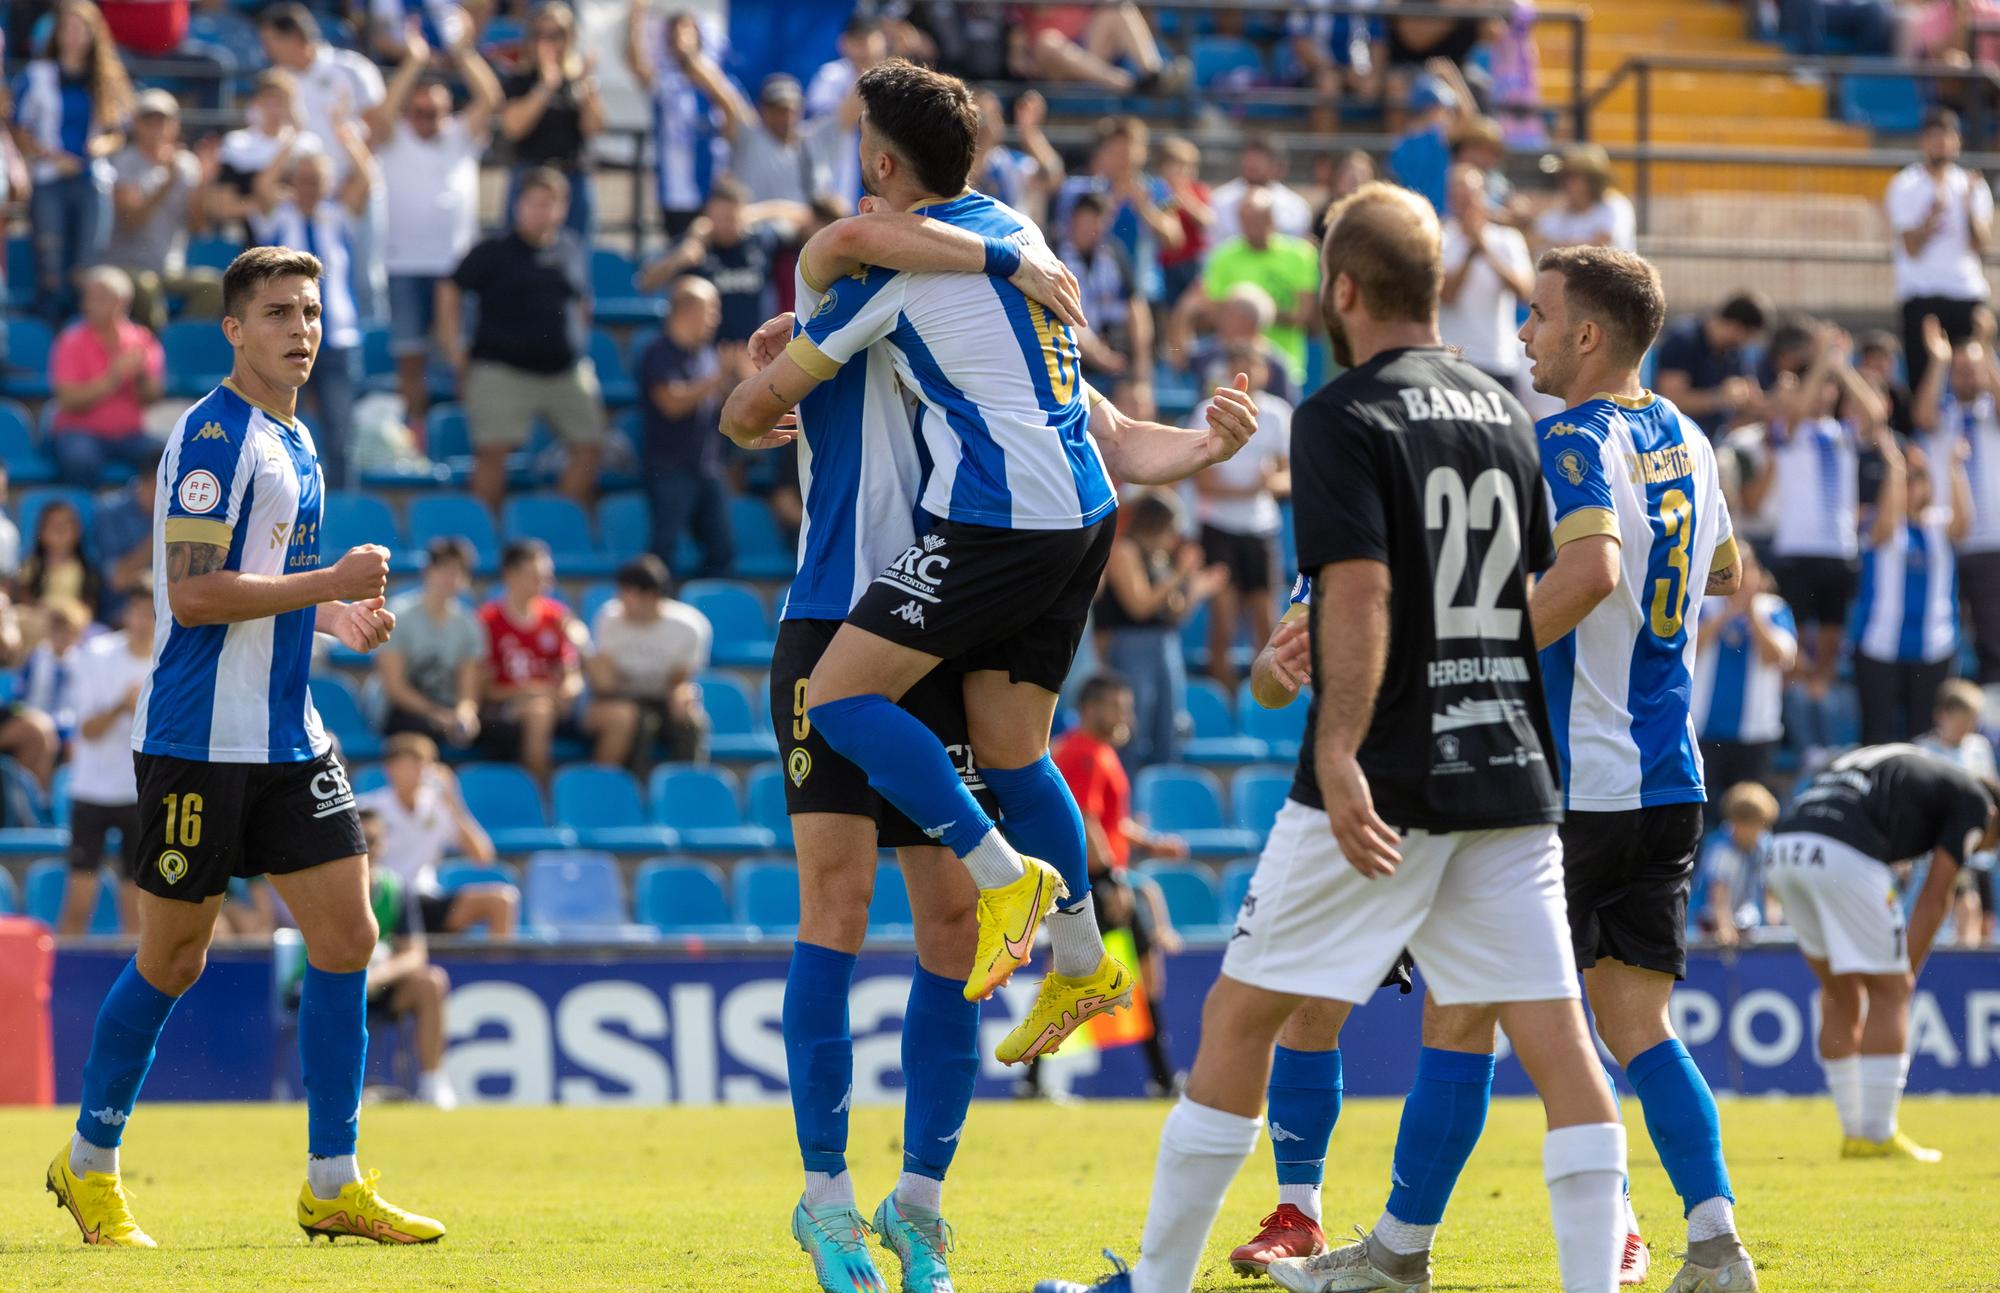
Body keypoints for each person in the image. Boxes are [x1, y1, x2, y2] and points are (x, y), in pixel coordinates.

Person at [1036, 181, 1628, 1293]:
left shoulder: (1337, 414)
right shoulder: (1507, 409)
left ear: (1341, 289)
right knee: (1558, 1051)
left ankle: (1157, 1285)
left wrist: (1343, 749)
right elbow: (1520, 586)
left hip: (1384, 774)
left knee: (1236, 1016)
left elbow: (1354, 594)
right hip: (1507, 767)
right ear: (1438, 286)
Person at [721, 59, 1259, 1071]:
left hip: (998, 521)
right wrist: (1197, 447)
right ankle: (1082, 955)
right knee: (1013, 754)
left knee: (837, 698)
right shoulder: (1023, 235)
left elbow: (829, 260)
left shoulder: (893, 273)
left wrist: (767, 381)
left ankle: (1000, 873)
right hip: (1084, 516)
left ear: (880, 161)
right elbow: (1097, 425)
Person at [733, 199, 1097, 1292]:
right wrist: (1016, 255)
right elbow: (745, 415)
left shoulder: (975, 329)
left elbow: (1100, 429)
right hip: (832, 624)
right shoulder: (836, 310)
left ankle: (921, 1206)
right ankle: (826, 1203)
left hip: (941, 631)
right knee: (834, 909)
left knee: (948, 930)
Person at [44, 245, 438, 1248]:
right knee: (172, 960)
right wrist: (330, 584)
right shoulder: (216, 438)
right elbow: (194, 593)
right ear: (233, 328)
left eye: (308, 312)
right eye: (276, 313)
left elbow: (267, 589)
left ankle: (333, 1179)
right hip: (195, 742)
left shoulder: (295, 438)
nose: (299, 328)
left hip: (286, 735)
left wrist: (331, 620)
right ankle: (88, 1163)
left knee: (349, 937)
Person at [1502, 244, 1753, 1290]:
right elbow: (1726, 573)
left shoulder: (1571, 434)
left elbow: (1589, 572)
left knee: (1479, 1017)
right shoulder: (1687, 437)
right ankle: (1711, 1237)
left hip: (1580, 781)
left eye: (1536, 313)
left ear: (1586, 336)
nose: (1522, 331)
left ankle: (1404, 1247)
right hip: (1670, 775)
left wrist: (1464, 646)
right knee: (1637, 1028)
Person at [1766, 745, 2000, 1158]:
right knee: (1889, 991)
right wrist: (1901, 977)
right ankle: (1877, 1133)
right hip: (1844, 851)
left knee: (1839, 992)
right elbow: (1936, 895)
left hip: (1784, 850)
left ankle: (1855, 1131)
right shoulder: (1977, 802)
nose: (1982, 849)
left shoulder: (1907, 768)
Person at [1050, 671, 1191, 1096]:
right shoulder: (1085, 752)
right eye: (1117, 705)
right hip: (1095, 882)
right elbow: (1086, 820)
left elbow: (1109, 822)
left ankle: (1162, 1079)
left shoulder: (1100, 752)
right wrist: (1111, 879)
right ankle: (1162, 1079)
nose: (1126, 714)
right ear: (1091, 708)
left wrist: (1149, 843)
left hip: (1099, 878)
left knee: (1093, 977)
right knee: (1100, 977)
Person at [438, 168, 605, 513]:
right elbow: (450, 287)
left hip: (565, 371)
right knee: (492, 452)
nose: (542, 211)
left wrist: (578, 336)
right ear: (518, 206)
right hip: (502, 370)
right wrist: (452, 345)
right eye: (534, 203)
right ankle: (490, 538)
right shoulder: (492, 250)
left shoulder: (572, 248)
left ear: (562, 208)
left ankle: (556, 522)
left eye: (550, 204)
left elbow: (582, 300)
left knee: (590, 447)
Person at [363, 21, 501, 423]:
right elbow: (381, 116)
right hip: (403, 266)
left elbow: (490, 97)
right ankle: (416, 439)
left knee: (463, 358)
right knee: (410, 364)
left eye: (439, 111)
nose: (430, 119)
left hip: (456, 270)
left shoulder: (460, 134)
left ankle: (466, 434)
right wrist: (414, 61)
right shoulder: (394, 137)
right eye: (421, 112)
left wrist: (463, 54)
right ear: (410, 111)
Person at [1764, 324, 1881, 729]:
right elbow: (1797, 410)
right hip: (1797, 549)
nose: (1825, 392)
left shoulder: (1843, 433)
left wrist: (1841, 366)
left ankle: (1819, 714)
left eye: (1831, 388)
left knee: (1831, 644)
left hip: (1838, 551)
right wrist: (1822, 362)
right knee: (1794, 640)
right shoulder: (1789, 429)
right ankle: (1794, 724)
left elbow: (1876, 415)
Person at [249, 127, 374, 491]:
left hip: (337, 338)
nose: (309, 188)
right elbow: (262, 184)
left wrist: (345, 135)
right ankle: (284, 497)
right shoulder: (278, 216)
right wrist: (289, 139)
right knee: (283, 426)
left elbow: (366, 178)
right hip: (286, 338)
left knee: (341, 434)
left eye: (317, 180)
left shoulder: (338, 216)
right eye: (303, 180)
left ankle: (341, 506)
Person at [10, 0, 132, 322]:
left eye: (82, 28)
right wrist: (49, 155)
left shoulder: (106, 76)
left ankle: (81, 330)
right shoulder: (37, 75)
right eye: (68, 28)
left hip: (93, 180)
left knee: (87, 263)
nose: (75, 36)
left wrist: (100, 145)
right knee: (50, 263)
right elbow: (19, 128)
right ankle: (51, 334)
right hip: (50, 177)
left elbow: (118, 131)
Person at [477, 539, 634, 783]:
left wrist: (569, 689)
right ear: (510, 575)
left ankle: (592, 790)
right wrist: (533, 691)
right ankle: (542, 798)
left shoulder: (557, 615)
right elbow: (485, 690)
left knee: (621, 716)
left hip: (557, 704)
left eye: (547, 576)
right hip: (510, 707)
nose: (544, 583)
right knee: (540, 712)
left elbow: (571, 673)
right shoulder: (488, 621)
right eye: (536, 576)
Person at [1853, 430, 1971, 745]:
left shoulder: (1938, 524)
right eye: (1906, 477)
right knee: (1876, 738)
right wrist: (1894, 466)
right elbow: (1885, 528)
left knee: (1923, 739)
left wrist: (1954, 468)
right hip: (1880, 648)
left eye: (1917, 476)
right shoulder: (1876, 521)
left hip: (1933, 648)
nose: (1910, 484)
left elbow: (1964, 524)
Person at [1094, 489, 1223, 772]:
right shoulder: (1125, 551)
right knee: (1131, 728)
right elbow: (1139, 606)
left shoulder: (1160, 558)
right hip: (1131, 645)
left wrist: (1195, 588)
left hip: (1165, 646)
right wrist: (1178, 573)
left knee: (1169, 725)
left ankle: (1160, 796)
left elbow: (1173, 614)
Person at [1192, 346, 1291, 691]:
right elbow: (1202, 481)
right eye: (1237, 361)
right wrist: (1255, 489)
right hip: (1218, 528)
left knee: (1266, 625)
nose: (1244, 369)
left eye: (1251, 363)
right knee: (1223, 625)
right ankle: (1229, 710)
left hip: (1260, 530)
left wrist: (1265, 485)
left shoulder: (1278, 414)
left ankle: (1258, 706)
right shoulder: (1206, 411)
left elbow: (1287, 476)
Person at [56, 580, 153, 936]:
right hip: (92, 792)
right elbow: (88, 729)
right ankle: (59, 988)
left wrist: (138, 708)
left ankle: (134, 991)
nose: (142, 621)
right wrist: (121, 706)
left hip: (138, 794)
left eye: (150, 613)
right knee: (77, 901)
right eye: (137, 611)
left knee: (137, 910)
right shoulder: (95, 655)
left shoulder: (166, 659)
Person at [634, 277, 746, 578]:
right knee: (663, 549)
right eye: (711, 310)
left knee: (722, 551)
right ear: (686, 310)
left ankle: (701, 605)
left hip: (707, 467)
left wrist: (743, 380)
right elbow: (671, 404)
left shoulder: (707, 355)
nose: (716, 319)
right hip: (669, 468)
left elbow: (723, 403)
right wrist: (717, 377)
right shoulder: (657, 353)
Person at [347, 806, 458, 1108]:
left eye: (374, 839)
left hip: (377, 986)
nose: (367, 847)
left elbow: (414, 954)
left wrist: (376, 977)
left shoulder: (396, 890)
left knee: (431, 983)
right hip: (332, 983)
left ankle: (433, 1083)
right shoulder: (332, 889)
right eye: (361, 838)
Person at [1911, 313, 2000, 689]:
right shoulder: (1943, 414)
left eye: (1973, 369)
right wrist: (1941, 360)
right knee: (1945, 632)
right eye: (1960, 371)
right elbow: (1921, 414)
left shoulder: (1992, 414)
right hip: (1945, 540)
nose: (1968, 376)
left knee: (1993, 637)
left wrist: (1986, 347)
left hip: (1992, 544)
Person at [356, 733, 514, 941]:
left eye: (424, 763)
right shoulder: (368, 809)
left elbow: (483, 857)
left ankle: (498, 972)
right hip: (383, 900)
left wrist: (453, 801)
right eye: (410, 764)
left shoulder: (439, 807)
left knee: (501, 901)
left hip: (425, 899)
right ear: (390, 768)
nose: (419, 771)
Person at [1887, 108, 1991, 394]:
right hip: (1922, 295)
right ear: (1922, 141)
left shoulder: (1972, 185)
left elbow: (1980, 244)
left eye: (1946, 136)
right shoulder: (1905, 184)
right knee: (1924, 383)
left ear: (1957, 141)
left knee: (1974, 385)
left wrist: (1968, 207)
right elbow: (1911, 248)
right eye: (1934, 136)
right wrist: (1929, 221)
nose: (1940, 143)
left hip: (1965, 293)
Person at [1691, 543, 1798, 818]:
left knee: (1750, 815)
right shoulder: (1701, 605)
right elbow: (1691, 648)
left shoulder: (1773, 609)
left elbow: (1779, 658)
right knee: (1697, 814)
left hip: (1755, 734)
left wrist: (1750, 613)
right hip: (1704, 730)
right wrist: (1726, 612)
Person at [624, 4, 747, 237]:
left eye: (687, 29)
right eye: (675, 31)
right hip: (674, 192)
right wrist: (636, 19)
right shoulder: (666, 79)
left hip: (710, 187)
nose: (681, 36)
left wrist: (696, 65)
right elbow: (637, 66)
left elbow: (734, 113)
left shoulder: (715, 76)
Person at [105, 89, 222, 333]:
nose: (156, 127)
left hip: (170, 269)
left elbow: (198, 227)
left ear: (175, 126)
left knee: (215, 286)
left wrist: (203, 186)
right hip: (127, 266)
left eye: (164, 121)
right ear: (136, 124)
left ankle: (176, 342)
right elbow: (131, 220)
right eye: (149, 120)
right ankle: (158, 349)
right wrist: (167, 183)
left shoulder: (188, 164)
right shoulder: (122, 162)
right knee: (146, 287)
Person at [636, 177, 800, 344]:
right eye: (719, 217)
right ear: (707, 215)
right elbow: (645, 283)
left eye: (732, 217)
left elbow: (802, 217)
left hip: (755, 348)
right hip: (705, 355)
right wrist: (678, 259)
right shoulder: (695, 245)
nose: (726, 224)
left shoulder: (759, 240)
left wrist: (752, 215)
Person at [1188, 188, 1321, 388]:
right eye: (1246, 221)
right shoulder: (1223, 256)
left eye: (1258, 220)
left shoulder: (1300, 255)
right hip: (1233, 367)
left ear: (1271, 219)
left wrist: (1255, 313)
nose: (1252, 228)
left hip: (1284, 365)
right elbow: (1214, 313)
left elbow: (1302, 314)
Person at [587, 555, 712, 765]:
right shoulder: (609, 618)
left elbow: (680, 679)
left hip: (664, 697)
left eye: (629, 593)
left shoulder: (689, 626)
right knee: (640, 725)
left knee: (692, 722)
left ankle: (684, 782)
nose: (622, 601)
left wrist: (682, 696)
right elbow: (606, 678)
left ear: (652, 595)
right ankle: (637, 786)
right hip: (622, 697)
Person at [48, 267, 163, 488]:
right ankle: (85, 517)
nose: (87, 305)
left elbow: (153, 396)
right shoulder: (71, 341)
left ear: (121, 302)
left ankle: (148, 518)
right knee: (80, 459)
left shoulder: (142, 340)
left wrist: (141, 376)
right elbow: (68, 400)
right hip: (79, 432)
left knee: (169, 454)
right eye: (87, 298)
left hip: (130, 435)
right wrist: (112, 378)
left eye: (98, 298)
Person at [498, 1, 603, 238]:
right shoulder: (520, 80)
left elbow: (594, 129)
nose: (547, 42)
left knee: (574, 257)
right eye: (539, 35)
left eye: (556, 35)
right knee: (519, 255)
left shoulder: (578, 82)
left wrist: (588, 91)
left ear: (570, 39)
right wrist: (545, 87)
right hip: (530, 176)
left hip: (572, 177)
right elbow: (513, 128)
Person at [1054, 116, 1183, 305]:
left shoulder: (1158, 189)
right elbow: (1068, 237)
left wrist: (1144, 208)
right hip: (1091, 295)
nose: (1125, 157)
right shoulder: (1080, 190)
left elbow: (1174, 238)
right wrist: (1110, 204)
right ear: (1102, 153)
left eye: (1130, 148)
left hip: (1145, 293)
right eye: (1116, 150)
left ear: (1143, 151)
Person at [377, 536, 483, 750]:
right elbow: (395, 687)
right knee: (423, 729)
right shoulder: (398, 614)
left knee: (501, 733)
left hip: (447, 709)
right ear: (428, 571)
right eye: (444, 569)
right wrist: (436, 714)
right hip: (403, 711)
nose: (451, 578)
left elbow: (468, 686)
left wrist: (465, 714)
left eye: (458, 571)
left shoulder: (468, 623)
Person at [1438, 162, 1533, 390]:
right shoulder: (1438, 238)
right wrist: (1470, 253)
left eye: (1469, 196)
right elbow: (1447, 295)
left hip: (1497, 361)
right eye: (1458, 196)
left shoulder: (1507, 239)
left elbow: (1525, 292)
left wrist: (1485, 250)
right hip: (1452, 361)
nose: (1465, 204)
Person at [1918, 680, 1998, 947]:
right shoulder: (1922, 752)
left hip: (1980, 849)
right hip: (1944, 846)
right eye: (1963, 720)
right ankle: (1962, 963)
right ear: (1942, 715)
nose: (1968, 728)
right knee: (1965, 903)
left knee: (1986, 917)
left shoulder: (1979, 748)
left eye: (1972, 721)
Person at [1061, 192, 1152, 408]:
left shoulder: (1114, 254)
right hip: (1076, 357)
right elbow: (1063, 311)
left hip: (1118, 354)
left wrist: (1142, 372)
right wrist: (1098, 354)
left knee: (1136, 401)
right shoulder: (1057, 255)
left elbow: (1136, 308)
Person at [1653, 292, 1771, 437]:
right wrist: (1719, 398)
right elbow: (1670, 399)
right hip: (1673, 441)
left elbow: (1753, 400)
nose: (1746, 343)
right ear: (1736, 326)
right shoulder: (1684, 340)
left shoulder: (1734, 352)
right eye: (1747, 336)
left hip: (1710, 441)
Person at [1007, 3, 1188, 95]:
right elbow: (1017, 60)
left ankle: (1153, 73)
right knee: (1047, 41)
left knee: (1118, 6)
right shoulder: (1020, 11)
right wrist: (1025, 62)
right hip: (1057, 67)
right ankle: (1126, 82)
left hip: (1090, 54)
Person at [1693, 782, 1778, 948]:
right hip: (1708, 924)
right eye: (1749, 825)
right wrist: (1724, 928)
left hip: (1744, 920)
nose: (1756, 832)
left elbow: (1769, 887)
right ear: (1735, 822)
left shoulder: (1764, 843)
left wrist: (1773, 921)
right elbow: (1718, 894)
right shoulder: (1722, 849)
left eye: (1759, 825)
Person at [970, 88, 1064, 228]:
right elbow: (966, 183)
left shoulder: (1009, 161)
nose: (987, 124)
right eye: (980, 116)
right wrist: (983, 143)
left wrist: (1029, 133)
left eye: (995, 114)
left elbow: (1054, 178)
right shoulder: (958, 162)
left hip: (1012, 239)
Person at [1207, 137, 1316, 246]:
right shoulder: (1220, 200)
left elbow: (1299, 247)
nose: (1253, 165)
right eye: (1250, 161)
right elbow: (1212, 248)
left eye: (1259, 161)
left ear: (1276, 166)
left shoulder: (1296, 206)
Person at [1534, 144, 1637, 253]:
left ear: (1592, 179)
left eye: (1571, 176)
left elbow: (1600, 244)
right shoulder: (1561, 210)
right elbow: (1535, 240)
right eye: (1563, 176)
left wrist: (1555, 246)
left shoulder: (1614, 205)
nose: (1566, 183)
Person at [18, 497, 104, 624]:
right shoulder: (32, 565)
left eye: (66, 524)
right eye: (54, 525)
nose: (60, 530)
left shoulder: (87, 568)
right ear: (41, 531)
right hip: (39, 623)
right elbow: (25, 600)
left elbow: (89, 606)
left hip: (74, 627)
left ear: (78, 531)